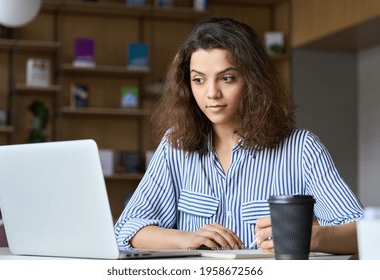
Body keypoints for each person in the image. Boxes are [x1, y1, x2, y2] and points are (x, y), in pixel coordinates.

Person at [114, 17, 364, 254]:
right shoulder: (175, 145)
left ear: (253, 81)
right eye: (198, 80)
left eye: (227, 78)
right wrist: (186, 238)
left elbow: (361, 232)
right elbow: (126, 229)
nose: (211, 93)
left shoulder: (301, 148)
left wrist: (312, 237)